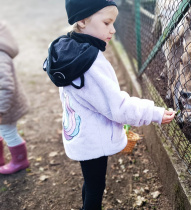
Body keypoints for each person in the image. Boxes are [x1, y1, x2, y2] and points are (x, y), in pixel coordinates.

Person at [43, 0, 176, 209]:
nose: (113, 29)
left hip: (81, 134)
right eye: (107, 23)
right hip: (92, 140)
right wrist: (154, 112)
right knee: (96, 187)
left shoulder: (66, 49)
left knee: (91, 182)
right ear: (82, 21)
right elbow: (119, 107)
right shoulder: (91, 62)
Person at [0, 21, 30, 174]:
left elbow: (6, 87)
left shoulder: (0, 56)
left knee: (8, 132)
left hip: (6, 107)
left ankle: (20, 161)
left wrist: (1, 111)